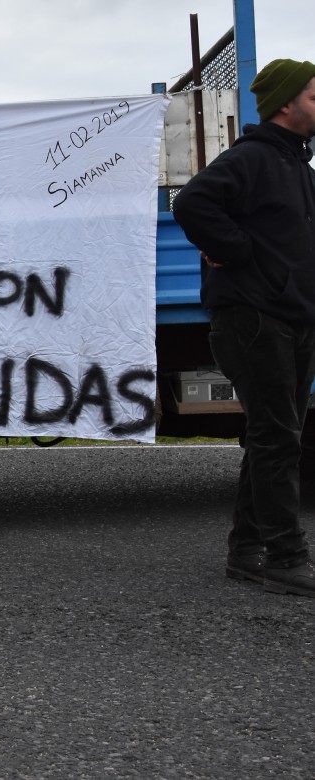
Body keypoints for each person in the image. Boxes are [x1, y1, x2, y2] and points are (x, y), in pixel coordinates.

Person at [173, 59, 315, 597]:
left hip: (294, 319)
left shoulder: (298, 169)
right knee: (278, 438)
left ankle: (246, 550)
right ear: (286, 104)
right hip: (254, 319)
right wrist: (237, 252)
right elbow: (193, 202)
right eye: (314, 97)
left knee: (274, 438)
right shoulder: (251, 159)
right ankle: (285, 555)